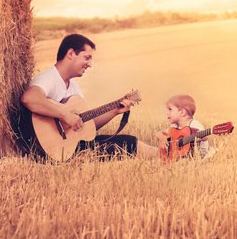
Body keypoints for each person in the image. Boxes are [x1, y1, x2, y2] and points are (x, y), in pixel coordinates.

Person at [19, 33, 159, 160]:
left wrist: (115, 110)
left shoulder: (72, 86)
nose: (90, 64)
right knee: (125, 143)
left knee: (121, 141)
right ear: (71, 53)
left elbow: (85, 127)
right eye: (87, 58)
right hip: (46, 150)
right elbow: (29, 98)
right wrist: (64, 114)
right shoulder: (49, 77)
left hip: (66, 148)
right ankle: (166, 155)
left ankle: (163, 153)